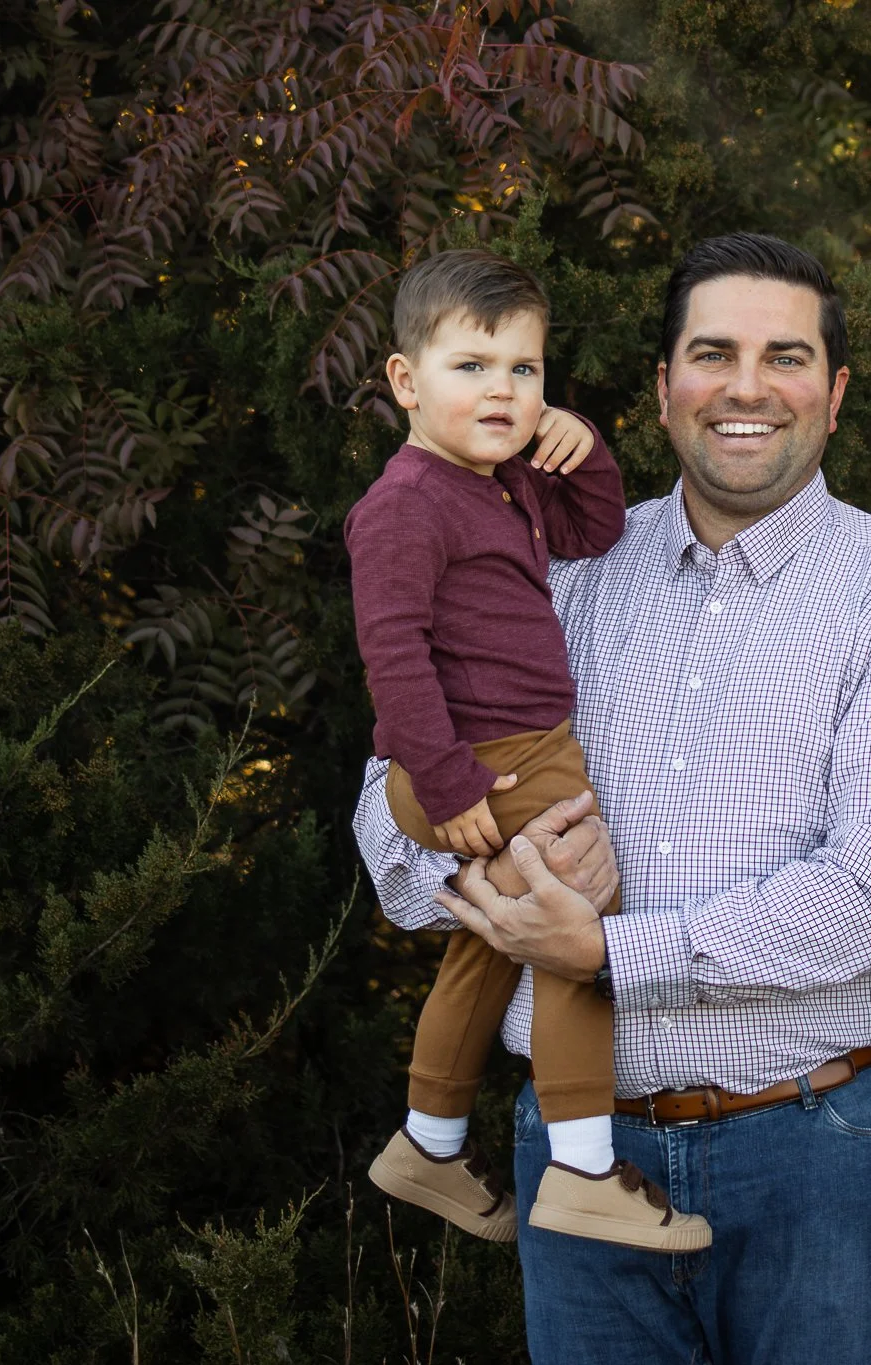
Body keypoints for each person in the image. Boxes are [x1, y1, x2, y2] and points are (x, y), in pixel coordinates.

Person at [352, 233, 871, 1364]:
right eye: (712, 354)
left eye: (785, 357)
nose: (746, 387)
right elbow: (387, 805)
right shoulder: (556, 559)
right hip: (571, 1152)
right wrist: (503, 872)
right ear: (662, 387)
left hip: (815, 1149)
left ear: (834, 393)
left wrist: (602, 951)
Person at [346, 247, 709, 1252]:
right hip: (491, 757)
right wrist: (446, 777)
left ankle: (427, 1138)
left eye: (525, 369)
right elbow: (391, 652)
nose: (503, 389)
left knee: (495, 939)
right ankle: (584, 1168)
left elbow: (594, 530)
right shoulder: (406, 503)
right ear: (406, 380)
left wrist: (579, 447)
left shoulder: (500, 482)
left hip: (516, 749)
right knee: (576, 927)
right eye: (472, 366)